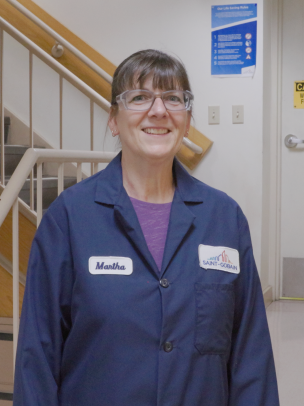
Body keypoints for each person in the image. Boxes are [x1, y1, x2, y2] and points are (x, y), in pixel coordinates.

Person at [13, 49, 279, 406]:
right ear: (113, 119)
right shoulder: (69, 218)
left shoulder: (224, 218)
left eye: (173, 98)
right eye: (139, 98)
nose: (158, 110)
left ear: (187, 120)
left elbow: (251, 355)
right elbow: (37, 356)